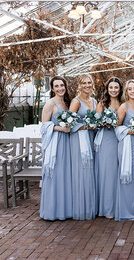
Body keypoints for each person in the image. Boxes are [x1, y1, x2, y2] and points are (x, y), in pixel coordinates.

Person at [40, 76, 73, 221]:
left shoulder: (67, 103)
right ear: (52, 88)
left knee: (65, 175)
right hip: (56, 143)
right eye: (57, 86)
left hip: (67, 142)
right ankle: (52, 211)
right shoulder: (50, 104)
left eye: (62, 85)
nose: (60, 88)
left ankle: (65, 209)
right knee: (55, 174)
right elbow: (44, 126)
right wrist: (60, 128)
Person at [114, 80, 134, 221]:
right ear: (126, 91)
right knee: (128, 176)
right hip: (127, 145)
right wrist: (132, 132)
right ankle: (127, 211)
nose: (132, 91)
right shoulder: (123, 107)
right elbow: (117, 127)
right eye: (130, 89)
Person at [94, 77, 123, 218]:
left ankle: (120, 205)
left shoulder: (124, 103)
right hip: (107, 140)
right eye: (111, 87)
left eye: (116, 87)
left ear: (120, 89)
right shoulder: (102, 104)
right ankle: (108, 208)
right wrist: (104, 123)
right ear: (107, 89)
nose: (113, 90)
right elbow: (96, 123)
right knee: (109, 173)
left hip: (122, 140)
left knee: (119, 171)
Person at [69, 74, 97, 220]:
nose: (87, 85)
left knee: (90, 171)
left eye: (89, 83)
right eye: (84, 83)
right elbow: (69, 123)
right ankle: (81, 208)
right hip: (79, 140)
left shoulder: (94, 101)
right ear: (80, 85)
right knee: (82, 171)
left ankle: (91, 206)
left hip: (91, 138)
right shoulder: (76, 101)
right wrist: (85, 127)